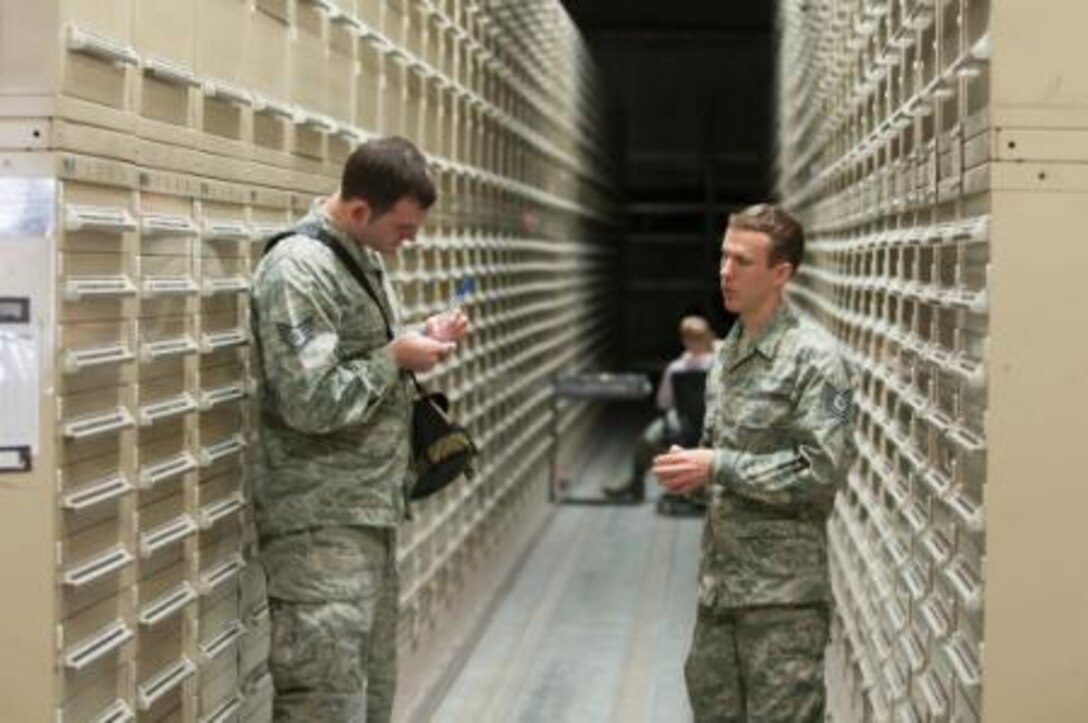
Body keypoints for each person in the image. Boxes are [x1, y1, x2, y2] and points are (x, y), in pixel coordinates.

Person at [250, 137, 468, 722]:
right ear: (358, 211)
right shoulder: (298, 270)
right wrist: (394, 358)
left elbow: (358, 355)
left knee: (368, 696)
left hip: (363, 514)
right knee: (324, 700)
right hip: (318, 526)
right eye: (402, 226)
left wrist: (420, 338)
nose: (411, 240)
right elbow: (309, 399)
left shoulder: (359, 254)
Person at [652, 204, 856, 721]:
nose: (725, 272)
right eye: (723, 257)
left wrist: (719, 465)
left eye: (742, 261)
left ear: (781, 273)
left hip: (782, 605)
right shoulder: (728, 354)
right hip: (719, 594)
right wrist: (693, 475)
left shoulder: (819, 360)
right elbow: (720, 460)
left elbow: (820, 470)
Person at [603, 315, 716, 502]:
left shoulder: (676, 368)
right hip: (714, 424)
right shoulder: (719, 364)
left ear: (684, 340)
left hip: (684, 425)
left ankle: (636, 485)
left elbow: (664, 402)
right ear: (707, 337)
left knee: (646, 440)